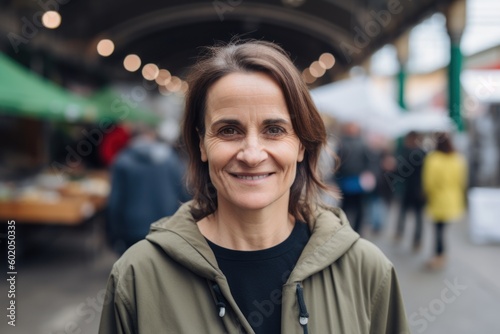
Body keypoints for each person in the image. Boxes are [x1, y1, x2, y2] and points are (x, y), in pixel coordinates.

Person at [99, 40, 409, 334]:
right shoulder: (137, 277)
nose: (251, 154)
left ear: (301, 145)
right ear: (201, 144)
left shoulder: (368, 272)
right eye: (229, 130)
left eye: (274, 130)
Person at [106, 125, 190, 254]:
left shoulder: (122, 160)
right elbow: (184, 192)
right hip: (167, 224)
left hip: (133, 228)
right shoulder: (170, 159)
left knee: (135, 269)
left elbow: (115, 201)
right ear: (152, 136)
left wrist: (113, 233)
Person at [422, 133, 467, 269]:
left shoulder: (433, 159)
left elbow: (428, 182)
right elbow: (462, 181)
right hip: (453, 198)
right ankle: (441, 254)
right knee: (442, 229)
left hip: (438, 200)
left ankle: (439, 255)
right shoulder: (458, 159)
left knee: (438, 229)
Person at [335, 122, 375, 233]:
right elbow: (337, 163)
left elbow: (370, 162)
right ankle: (343, 230)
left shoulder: (363, 144)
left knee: (359, 208)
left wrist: (368, 175)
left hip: (358, 181)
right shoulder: (342, 144)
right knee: (345, 208)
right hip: (345, 180)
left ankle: (357, 231)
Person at [394, 131, 426, 250]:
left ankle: (400, 233)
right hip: (419, 189)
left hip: (408, 189)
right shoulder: (423, 153)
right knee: (418, 216)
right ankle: (417, 240)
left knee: (404, 213)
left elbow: (400, 172)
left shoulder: (405, 152)